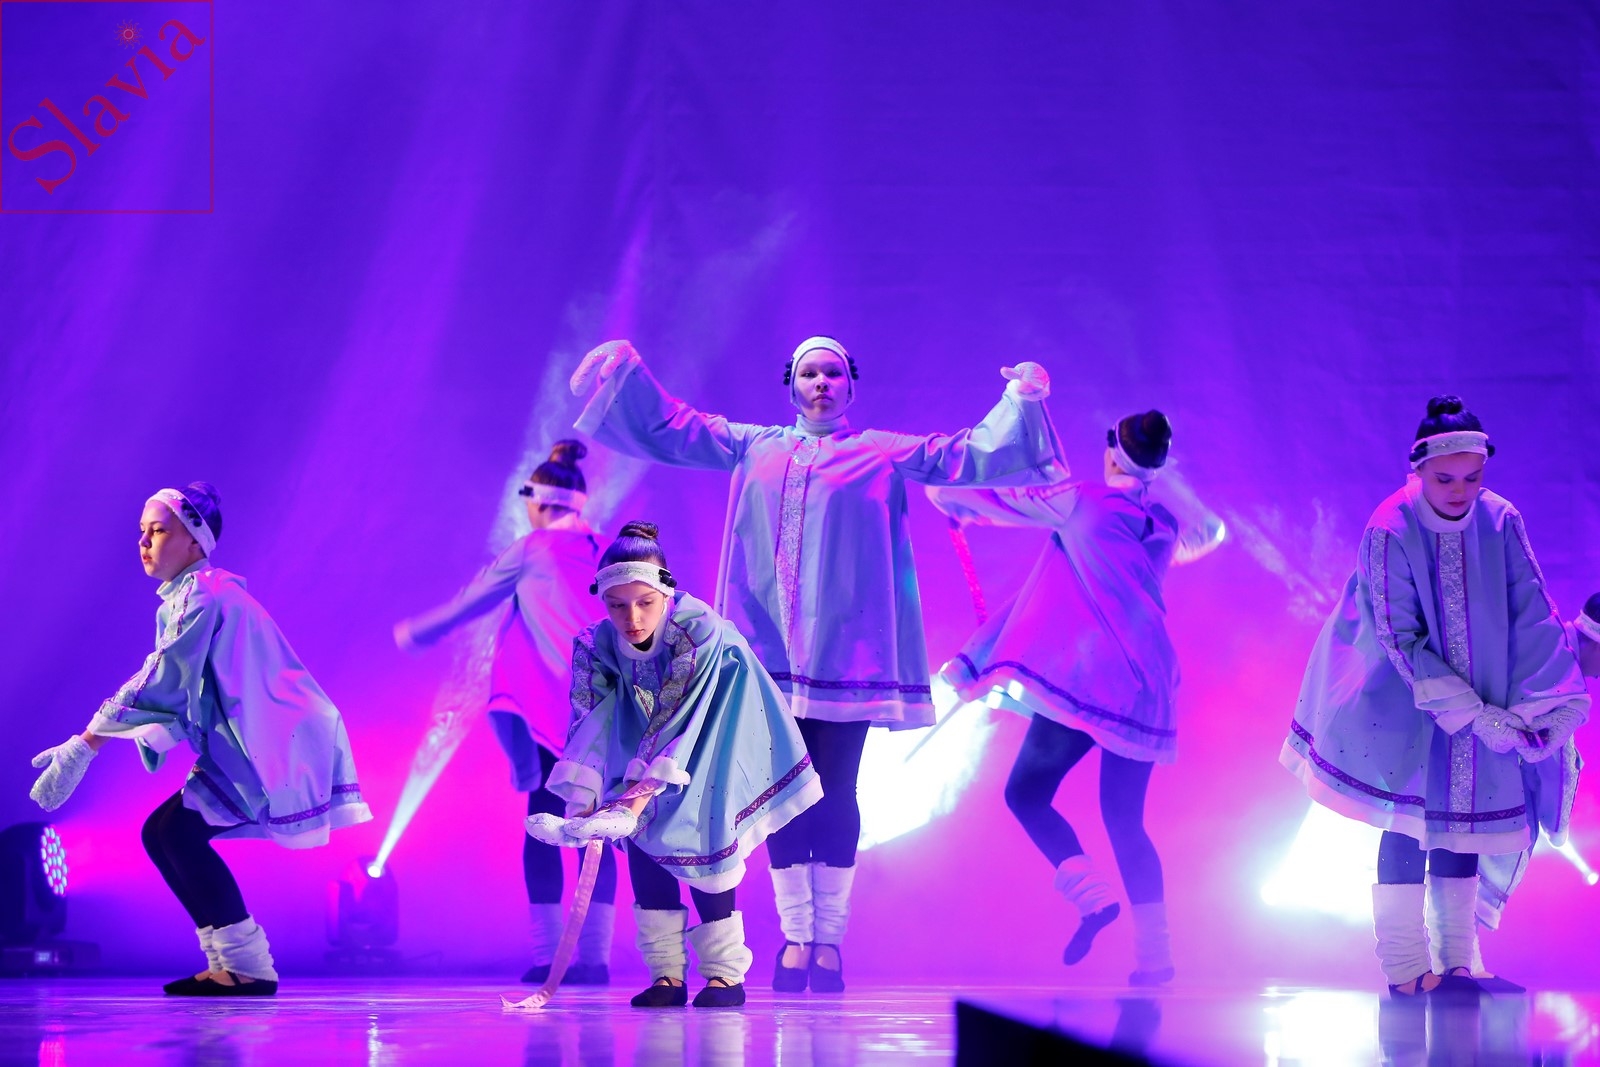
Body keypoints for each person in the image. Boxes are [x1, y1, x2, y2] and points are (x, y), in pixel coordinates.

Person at [569, 336, 1063, 992]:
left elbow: (963, 453)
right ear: (792, 385)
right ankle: (795, 938)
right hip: (770, 654)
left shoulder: (879, 451)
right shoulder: (756, 445)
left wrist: (1021, 399)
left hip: (846, 654)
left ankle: (828, 940)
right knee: (783, 795)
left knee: (837, 791)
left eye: (832, 372)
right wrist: (626, 371)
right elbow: (678, 426)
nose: (821, 383)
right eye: (809, 373)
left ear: (850, 384)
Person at [1281, 397, 1588, 996]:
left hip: (1484, 690)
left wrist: (1546, 704)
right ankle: (1403, 967)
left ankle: (1457, 964)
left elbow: (1531, 609)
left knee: (1463, 823)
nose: (1459, 490)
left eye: (1472, 478)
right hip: (1400, 695)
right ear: (1419, 468)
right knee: (1408, 822)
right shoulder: (1391, 525)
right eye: (1445, 479)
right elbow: (1397, 635)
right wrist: (1471, 714)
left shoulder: (1499, 519)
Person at [28, 483, 371, 997]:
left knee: (176, 835)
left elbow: (163, 675)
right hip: (250, 735)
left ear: (195, 541)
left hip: (272, 737)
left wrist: (86, 744)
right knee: (164, 833)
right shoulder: (196, 594)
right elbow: (188, 690)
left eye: (158, 530)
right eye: (142, 531)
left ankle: (248, 966)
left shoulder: (202, 594)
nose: (144, 541)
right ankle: (229, 962)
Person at [930, 410, 1220, 986]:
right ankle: (1156, 958)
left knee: (1026, 794)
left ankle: (1092, 896)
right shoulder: (1163, 524)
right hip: (1148, 683)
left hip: (1091, 679)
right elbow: (1209, 533)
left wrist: (947, 494)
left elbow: (987, 500)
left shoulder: (1081, 500)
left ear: (1112, 452)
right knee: (1126, 820)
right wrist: (1163, 483)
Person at [525, 521, 821, 1008]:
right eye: (617, 605)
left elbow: (679, 711)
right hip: (645, 736)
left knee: (700, 830)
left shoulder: (696, 628)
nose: (632, 617)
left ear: (665, 591)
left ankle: (724, 972)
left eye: (645, 602)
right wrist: (583, 803)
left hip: (716, 727)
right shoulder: (595, 644)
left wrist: (633, 800)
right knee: (642, 839)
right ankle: (666, 973)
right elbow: (591, 719)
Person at [395, 440, 618, 984]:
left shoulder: (533, 548)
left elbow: (472, 601)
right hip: (605, 706)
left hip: (549, 704)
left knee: (543, 821)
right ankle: (595, 960)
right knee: (596, 828)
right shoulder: (610, 550)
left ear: (537, 502)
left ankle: (548, 957)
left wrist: (417, 634)